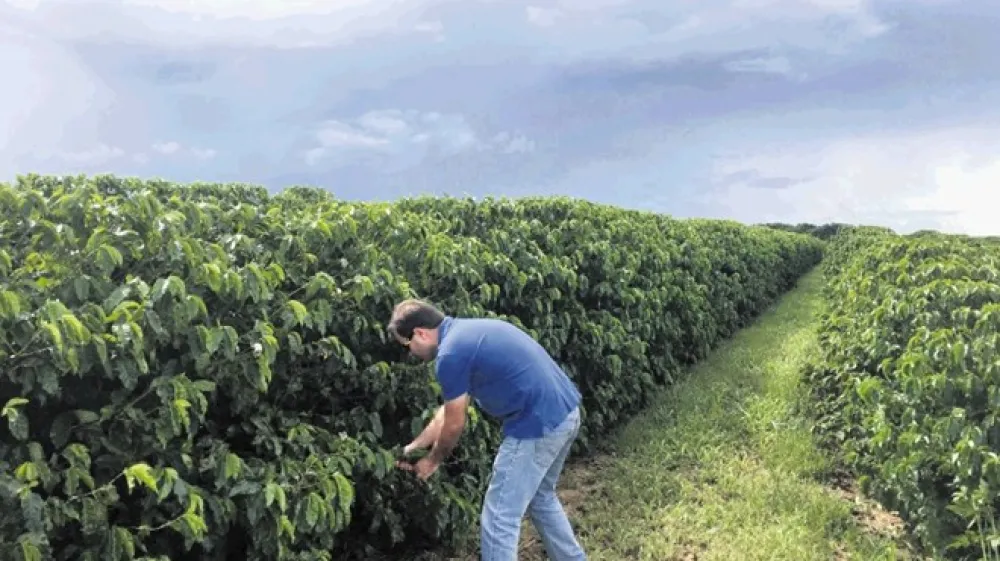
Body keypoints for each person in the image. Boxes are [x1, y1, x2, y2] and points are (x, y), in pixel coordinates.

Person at [388, 298, 587, 561]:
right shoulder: (466, 333)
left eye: (407, 344)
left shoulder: (450, 354)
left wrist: (433, 460)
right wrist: (414, 448)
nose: (410, 352)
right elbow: (446, 413)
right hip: (565, 413)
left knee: (499, 518)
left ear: (421, 333)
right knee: (541, 498)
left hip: (537, 424)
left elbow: (455, 423)